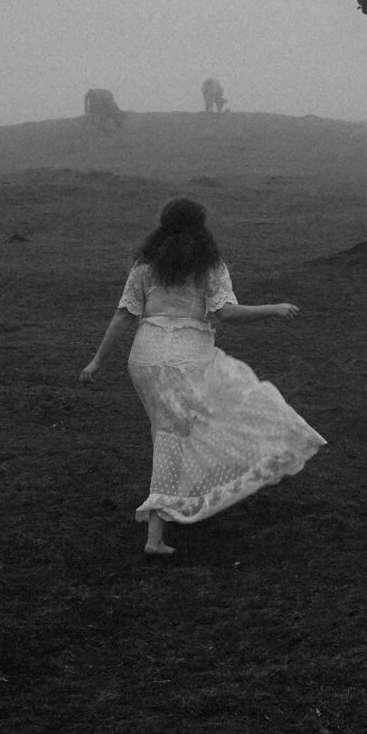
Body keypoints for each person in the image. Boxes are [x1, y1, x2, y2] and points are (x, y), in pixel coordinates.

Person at [79, 196, 325, 556]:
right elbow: (226, 313)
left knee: (174, 429)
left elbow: (124, 315)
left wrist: (97, 361)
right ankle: (156, 533)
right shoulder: (209, 264)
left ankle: (184, 500)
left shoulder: (145, 264)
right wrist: (273, 309)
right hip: (188, 358)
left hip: (145, 359)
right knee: (188, 427)